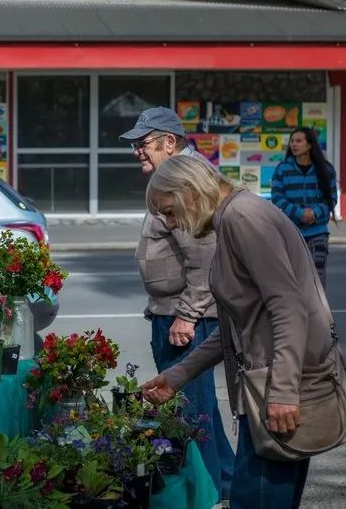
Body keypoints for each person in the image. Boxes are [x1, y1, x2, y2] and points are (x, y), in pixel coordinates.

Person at [142, 155, 333, 508]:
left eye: (170, 211)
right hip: (270, 387)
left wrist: (284, 393)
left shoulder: (242, 217)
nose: (171, 223)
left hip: (275, 391)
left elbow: (288, 307)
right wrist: (178, 375)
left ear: (191, 192)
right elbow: (239, 326)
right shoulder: (234, 215)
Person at [119, 107, 234, 500]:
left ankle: (209, 495)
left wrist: (187, 315)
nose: (138, 151)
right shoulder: (181, 176)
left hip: (187, 320)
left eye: (144, 143)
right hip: (177, 314)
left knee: (190, 416)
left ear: (170, 142)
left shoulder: (185, 183)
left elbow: (204, 258)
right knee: (203, 414)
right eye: (135, 145)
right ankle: (226, 486)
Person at [271, 126, 338, 287]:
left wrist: (314, 214)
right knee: (294, 280)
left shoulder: (326, 169)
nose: (294, 144)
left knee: (317, 280)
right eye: (292, 141)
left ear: (309, 145)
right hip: (291, 232)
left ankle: (318, 312)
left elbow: (331, 199)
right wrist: (300, 213)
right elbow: (277, 198)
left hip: (318, 233)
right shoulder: (282, 169)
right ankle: (298, 313)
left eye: (299, 141)